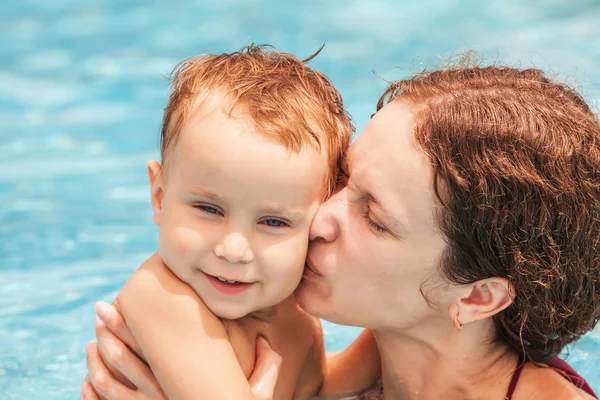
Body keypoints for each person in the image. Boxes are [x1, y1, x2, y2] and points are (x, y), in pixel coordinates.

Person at [83, 62, 600, 400]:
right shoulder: (366, 361)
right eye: (345, 180)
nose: (320, 217)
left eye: (374, 218)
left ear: (477, 296)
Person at [81, 44, 374, 400]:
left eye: (273, 222)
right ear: (159, 197)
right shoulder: (161, 299)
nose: (234, 250)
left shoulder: (293, 311)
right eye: (209, 209)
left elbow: (322, 388)